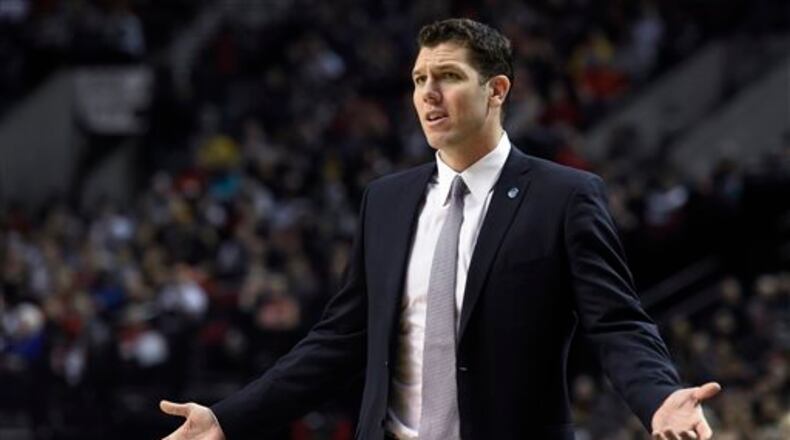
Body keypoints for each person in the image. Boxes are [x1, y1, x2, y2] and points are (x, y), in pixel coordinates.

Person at [161, 18, 720, 440]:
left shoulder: (564, 197)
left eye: (448, 77)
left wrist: (660, 398)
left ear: (496, 90)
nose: (427, 92)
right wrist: (228, 419)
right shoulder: (384, 201)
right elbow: (340, 340)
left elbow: (616, 324)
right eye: (419, 78)